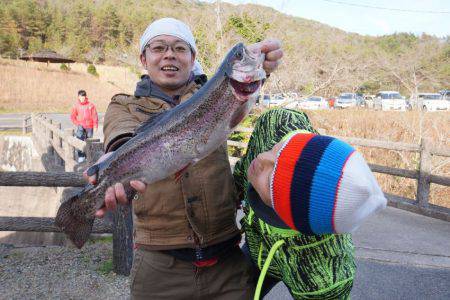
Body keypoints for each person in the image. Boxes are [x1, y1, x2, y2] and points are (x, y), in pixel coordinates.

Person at [85, 17, 283, 299]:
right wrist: (116, 163)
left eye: (180, 48)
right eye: (159, 48)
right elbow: (121, 138)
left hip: (227, 263)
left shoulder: (211, 93)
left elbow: (237, 85)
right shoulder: (123, 105)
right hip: (158, 269)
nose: (169, 54)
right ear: (143, 58)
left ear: (193, 58)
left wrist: (263, 64)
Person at [233, 108, 387, 299]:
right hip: (259, 247)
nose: (263, 158)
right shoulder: (277, 123)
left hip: (304, 265)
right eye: (279, 150)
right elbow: (245, 166)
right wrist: (233, 192)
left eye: (272, 180)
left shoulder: (325, 278)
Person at [70, 89, 98, 162]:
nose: (82, 98)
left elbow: (94, 116)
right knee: (79, 140)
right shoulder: (76, 106)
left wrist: (95, 126)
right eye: (81, 96)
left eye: (83, 96)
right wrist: (77, 123)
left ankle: (88, 156)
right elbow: (72, 116)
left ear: (86, 97)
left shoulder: (91, 105)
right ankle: (81, 156)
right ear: (78, 97)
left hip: (89, 126)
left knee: (89, 142)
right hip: (80, 126)